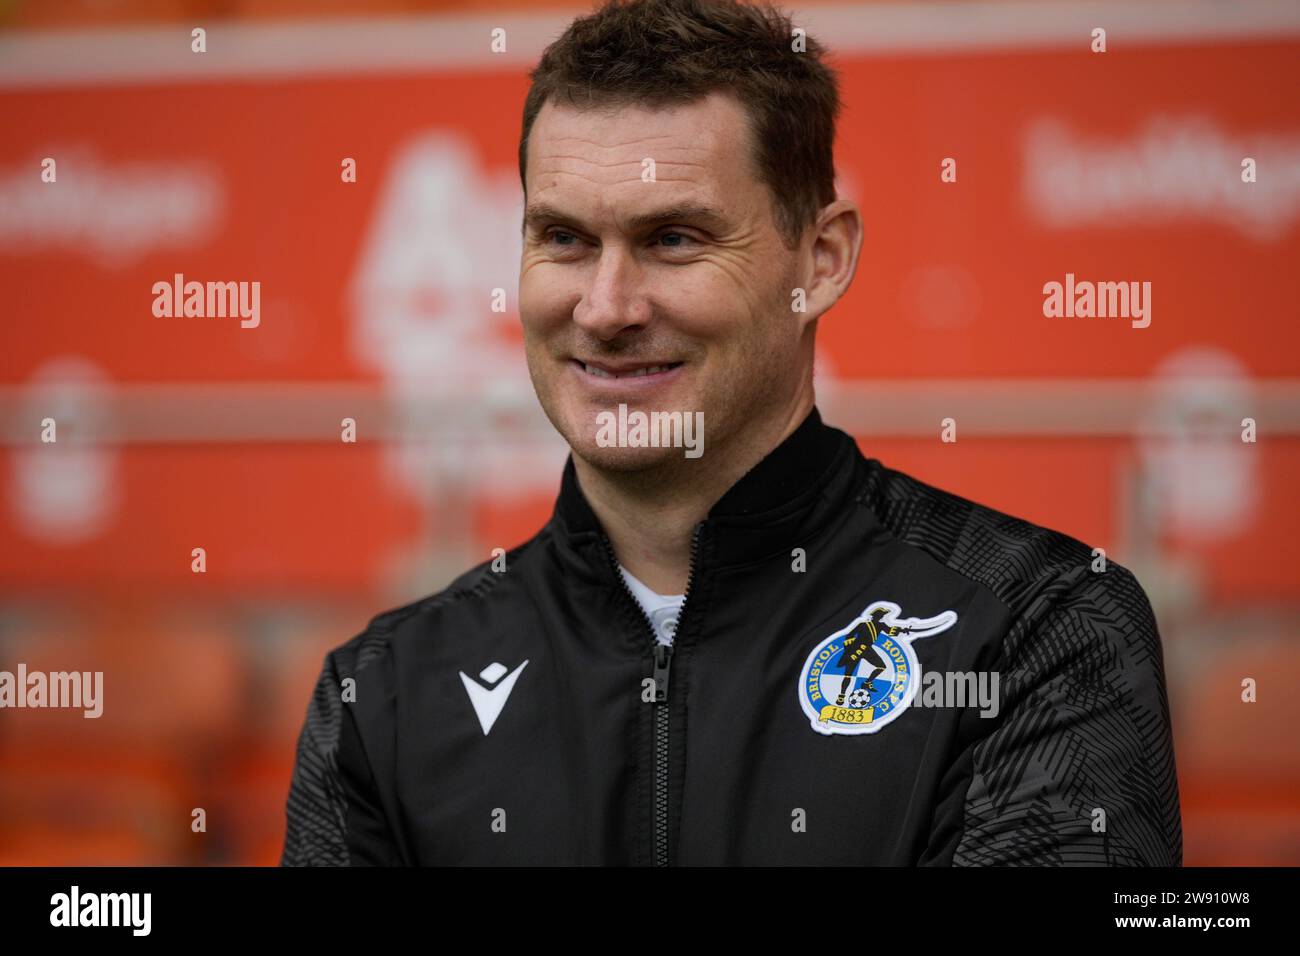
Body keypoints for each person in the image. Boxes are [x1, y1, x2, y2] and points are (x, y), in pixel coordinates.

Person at [281, 0, 1182, 866]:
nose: (605, 308)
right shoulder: (384, 691)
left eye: (673, 239)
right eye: (562, 238)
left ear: (821, 260)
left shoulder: (1038, 629)